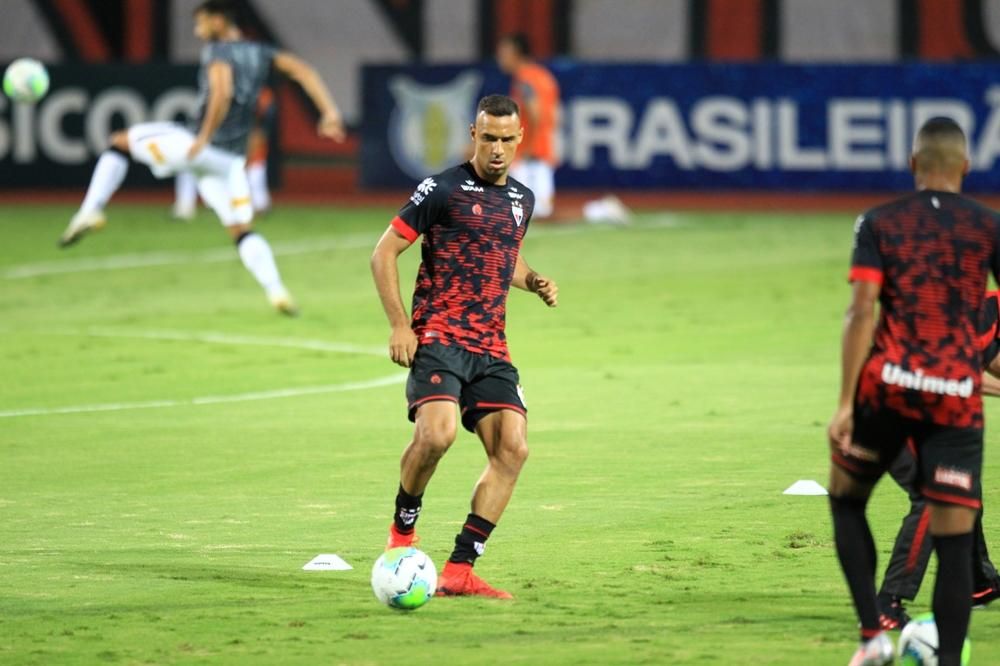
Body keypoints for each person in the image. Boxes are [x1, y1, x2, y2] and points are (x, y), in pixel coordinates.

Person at [827, 117, 1000, 666]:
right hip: (953, 397)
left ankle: (871, 632)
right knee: (953, 537)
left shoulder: (879, 222)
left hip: (889, 390)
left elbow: (860, 313)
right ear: (966, 169)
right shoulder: (988, 226)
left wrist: (846, 403)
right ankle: (949, 659)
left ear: (912, 165)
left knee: (846, 499)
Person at [370, 94, 558, 598]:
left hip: (491, 346)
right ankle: (402, 532)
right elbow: (384, 252)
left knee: (513, 449)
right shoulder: (443, 189)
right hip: (437, 336)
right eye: (489, 138)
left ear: (521, 140)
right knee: (437, 436)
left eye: (507, 140)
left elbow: (503, 256)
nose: (498, 149)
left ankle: (459, 569)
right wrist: (398, 325)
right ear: (473, 136)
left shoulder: (523, 199)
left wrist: (533, 279)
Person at [59, 0, 344, 315]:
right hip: (230, 162)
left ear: (219, 21)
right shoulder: (262, 53)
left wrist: (204, 137)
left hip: (198, 145)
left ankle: (90, 210)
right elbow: (303, 70)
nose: (198, 31)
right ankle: (276, 290)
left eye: (202, 23)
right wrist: (329, 112)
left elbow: (221, 92)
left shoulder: (218, 51)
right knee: (242, 231)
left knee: (118, 143)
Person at [876, 292, 1000, 629]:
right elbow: (963, 375)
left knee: (961, 489)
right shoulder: (979, 312)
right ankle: (887, 603)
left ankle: (979, 584)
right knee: (934, 498)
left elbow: (989, 362)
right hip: (891, 409)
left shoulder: (985, 315)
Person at [495, 33, 629, 225]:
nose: (500, 57)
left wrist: (527, 149)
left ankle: (601, 210)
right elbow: (553, 116)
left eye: (504, 52)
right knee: (525, 214)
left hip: (532, 156)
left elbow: (536, 114)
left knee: (536, 214)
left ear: (517, 53)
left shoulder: (525, 79)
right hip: (540, 150)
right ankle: (601, 210)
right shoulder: (542, 76)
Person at [173, 85, 277, 220]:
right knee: (188, 160)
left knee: (259, 201)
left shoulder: (261, 95)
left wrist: (246, 155)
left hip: (243, 150)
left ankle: (246, 201)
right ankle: (185, 205)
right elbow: (203, 124)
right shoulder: (219, 91)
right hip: (219, 144)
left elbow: (260, 132)